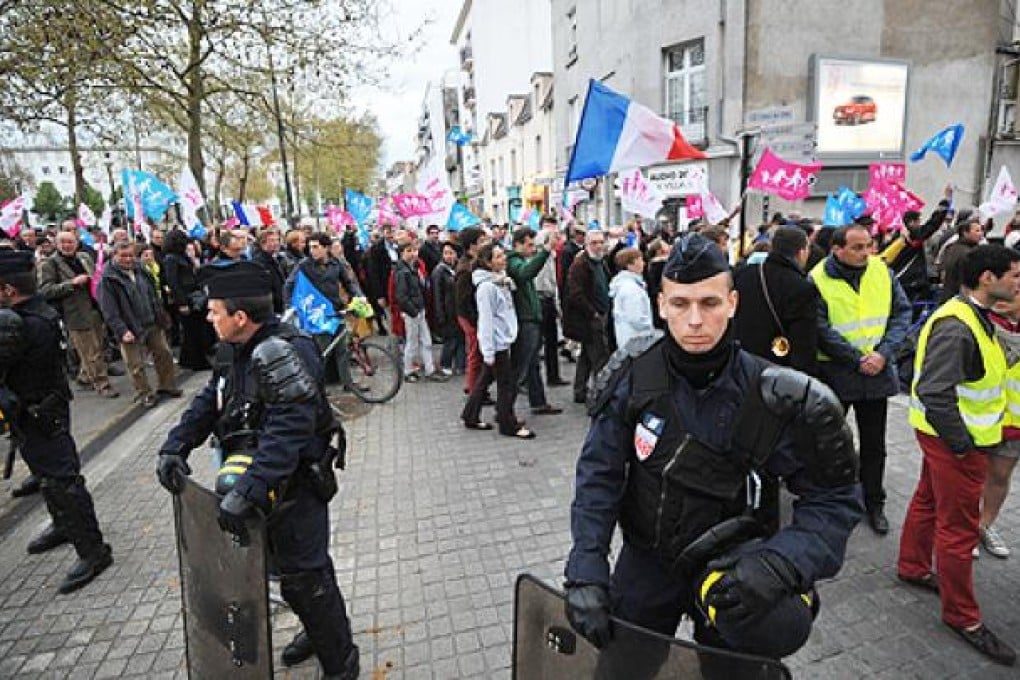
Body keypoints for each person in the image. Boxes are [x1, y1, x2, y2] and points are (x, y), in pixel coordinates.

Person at [564, 233, 861, 664]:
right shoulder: (633, 376)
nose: (696, 320)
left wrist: (782, 562)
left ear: (733, 303)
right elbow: (599, 475)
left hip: (735, 574)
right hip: (646, 564)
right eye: (681, 304)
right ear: (661, 305)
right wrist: (586, 566)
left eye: (710, 303)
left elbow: (834, 498)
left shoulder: (775, 395)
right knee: (621, 670)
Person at [155, 261, 358, 678]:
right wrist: (175, 445)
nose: (209, 318)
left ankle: (340, 661)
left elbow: (289, 431)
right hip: (259, 486)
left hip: (295, 488)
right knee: (284, 574)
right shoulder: (237, 350)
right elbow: (213, 398)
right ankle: (315, 630)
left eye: (215, 311)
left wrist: (249, 490)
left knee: (307, 578)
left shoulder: (287, 350)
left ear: (240, 317)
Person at [899, 245, 1020, 667]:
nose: (1018, 283)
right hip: (957, 441)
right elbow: (935, 391)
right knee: (958, 529)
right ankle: (963, 617)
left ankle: (913, 566)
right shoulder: (958, 324)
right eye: (1015, 276)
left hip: (947, 437)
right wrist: (962, 444)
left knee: (929, 500)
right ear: (988, 278)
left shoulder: (969, 313)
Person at [0, 250, 113, 593]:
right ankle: (64, 526)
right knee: (47, 478)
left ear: (8, 289)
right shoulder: (33, 313)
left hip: (40, 412)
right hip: (35, 412)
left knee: (62, 481)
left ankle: (93, 551)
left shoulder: (19, 323)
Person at [811, 224, 911, 534]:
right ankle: (826, 499)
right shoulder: (816, 279)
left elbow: (901, 314)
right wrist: (857, 359)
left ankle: (874, 501)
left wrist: (883, 353)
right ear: (837, 249)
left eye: (869, 245)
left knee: (874, 444)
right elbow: (819, 328)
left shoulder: (882, 271)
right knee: (826, 442)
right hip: (838, 372)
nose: (866, 252)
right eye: (857, 247)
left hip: (877, 372)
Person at [461, 243, 533, 439]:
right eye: (499, 257)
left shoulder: (501, 281)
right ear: (488, 262)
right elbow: (485, 320)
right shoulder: (486, 288)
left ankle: (470, 414)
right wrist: (489, 351)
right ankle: (507, 423)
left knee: (485, 379)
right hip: (496, 342)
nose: (504, 259)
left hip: (504, 338)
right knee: (506, 385)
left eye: (503, 255)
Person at [97, 242, 181, 408]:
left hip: (151, 321)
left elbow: (152, 295)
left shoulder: (142, 270)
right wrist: (122, 330)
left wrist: (161, 315)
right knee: (135, 364)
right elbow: (109, 310)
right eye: (123, 256)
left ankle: (167, 386)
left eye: (130, 255)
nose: (128, 259)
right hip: (129, 326)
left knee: (164, 353)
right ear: (114, 256)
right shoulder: (107, 280)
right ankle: (144, 393)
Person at [37, 229, 118, 397]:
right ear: (56, 244)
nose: (67, 245)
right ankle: (102, 384)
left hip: (95, 308)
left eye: (70, 242)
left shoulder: (84, 257)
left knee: (99, 346)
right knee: (91, 351)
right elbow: (45, 291)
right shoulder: (49, 264)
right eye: (63, 242)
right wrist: (71, 283)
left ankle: (85, 376)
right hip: (75, 313)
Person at [734, 226, 819, 376]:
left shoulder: (743, 274)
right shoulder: (802, 288)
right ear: (801, 252)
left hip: (740, 363)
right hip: (778, 369)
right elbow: (803, 343)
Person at [284, 233, 363, 387]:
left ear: (326, 248)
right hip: (318, 315)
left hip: (336, 311)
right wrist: (291, 308)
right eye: (310, 247)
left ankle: (349, 384)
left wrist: (359, 297)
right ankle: (320, 387)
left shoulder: (336, 264)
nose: (312, 251)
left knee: (343, 351)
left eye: (316, 247)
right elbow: (289, 285)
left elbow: (348, 283)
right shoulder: (303, 266)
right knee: (322, 354)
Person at [980, 292, 1020, 558]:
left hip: (1015, 421)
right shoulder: (981, 322)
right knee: (976, 477)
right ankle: (966, 528)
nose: (1004, 296)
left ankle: (984, 526)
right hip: (982, 418)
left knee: (1000, 476)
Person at [507, 227, 563, 415]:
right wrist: (545, 251)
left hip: (531, 318)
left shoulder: (521, 260)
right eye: (529, 245)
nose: (532, 249)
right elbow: (525, 273)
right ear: (518, 244)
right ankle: (505, 409)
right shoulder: (513, 261)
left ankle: (538, 402)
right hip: (525, 321)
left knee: (532, 365)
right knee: (520, 368)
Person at [563, 229, 611, 404]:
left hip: (600, 313)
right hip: (589, 318)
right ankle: (600, 395)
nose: (598, 246)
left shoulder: (600, 262)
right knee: (599, 357)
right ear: (586, 244)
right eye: (594, 243)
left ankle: (580, 390)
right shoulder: (581, 264)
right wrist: (593, 313)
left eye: (600, 242)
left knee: (586, 357)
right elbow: (576, 294)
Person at [393, 238, 444, 383]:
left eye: (414, 250)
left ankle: (430, 369)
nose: (413, 254)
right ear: (401, 253)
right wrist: (413, 310)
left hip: (419, 309)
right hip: (412, 312)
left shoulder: (412, 268)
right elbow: (401, 296)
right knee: (412, 342)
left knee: (426, 340)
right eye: (409, 251)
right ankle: (408, 370)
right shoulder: (402, 271)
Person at [163, 230, 213, 371]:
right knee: (192, 331)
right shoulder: (171, 259)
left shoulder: (181, 256)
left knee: (194, 330)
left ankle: (189, 359)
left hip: (193, 295)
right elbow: (173, 282)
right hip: (186, 298)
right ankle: (196, 360)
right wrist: (182, 303)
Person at [454, 227, 490, 396]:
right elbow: (463, 299)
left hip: (476, 314)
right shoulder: (465, 268)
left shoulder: (477, 261)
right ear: (472, 245)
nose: (485, 243)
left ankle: (478, 387)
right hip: (469, 316)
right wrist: (474, 319)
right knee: (476, 352)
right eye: (482, 241)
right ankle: (474, 388)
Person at [535, 217, 568, 387]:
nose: (558, 239)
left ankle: (553, 375)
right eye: (554, 237)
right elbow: (541, 281)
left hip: (549, 299)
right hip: (541, 299)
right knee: (536, 343)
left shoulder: (552, 256)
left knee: (552, 340)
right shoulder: (539, 256)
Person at [431, 241, 465, 376]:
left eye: (451, 253)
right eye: (446, 253)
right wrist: (440, 314)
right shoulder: (439, 271)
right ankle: (445, 364)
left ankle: (461, 364)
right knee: (450, 340)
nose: (449, 256)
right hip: (447, 311)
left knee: (461, 338)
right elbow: (437, 295)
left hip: (459, 309)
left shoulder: (457, 268)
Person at [608, 247, 653, 350]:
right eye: (640, 260)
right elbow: (636, 318)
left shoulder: (627, 285)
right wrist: (650, 329)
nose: (644, 263)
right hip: (636, 341)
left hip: (628, 339)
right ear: (630, 265)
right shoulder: (631, 289)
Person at [939, 212, 985, 303]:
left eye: (981, 230)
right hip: (961, 299)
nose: (981, 234)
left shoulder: (951, 247)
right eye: (977, 231)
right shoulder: (970, 253)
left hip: (948, 296)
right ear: (965, 233)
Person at [252, 228, 287, 314]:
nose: (276, 243)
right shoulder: (259, 262)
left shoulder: (275, 259)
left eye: (277, 240)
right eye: (271, 240)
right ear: (263, 243)